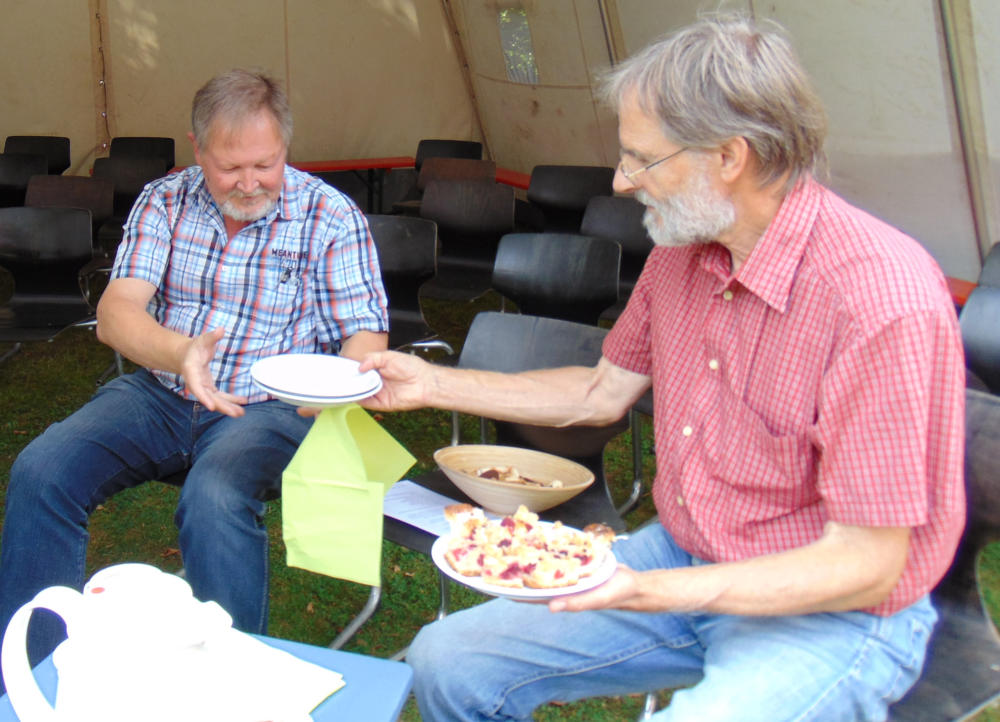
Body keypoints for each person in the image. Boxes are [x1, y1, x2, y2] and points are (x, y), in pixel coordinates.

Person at [357, 14, 966, 721]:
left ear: (729, 157)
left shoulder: (881, 299)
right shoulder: (683, 252)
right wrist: (433, 382)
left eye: (641, 159)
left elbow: (867, 565)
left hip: (833, 615)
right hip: (686, 555)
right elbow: (599, 391)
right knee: (448, 660)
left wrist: (651, 591)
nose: (620, 182)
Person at [0, 68, 388, 676]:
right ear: (197, 148)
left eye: (266, 164)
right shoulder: (165, 199)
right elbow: (116, 313)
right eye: (230, 168)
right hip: (161, 391)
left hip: (268, 408)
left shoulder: (330, 215)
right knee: (41, 471)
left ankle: (234, 691)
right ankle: (33, 679)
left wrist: (337, 388)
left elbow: (365, 333)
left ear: (285, 146)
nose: (250, 183)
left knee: (214, 495)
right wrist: (180, 353)